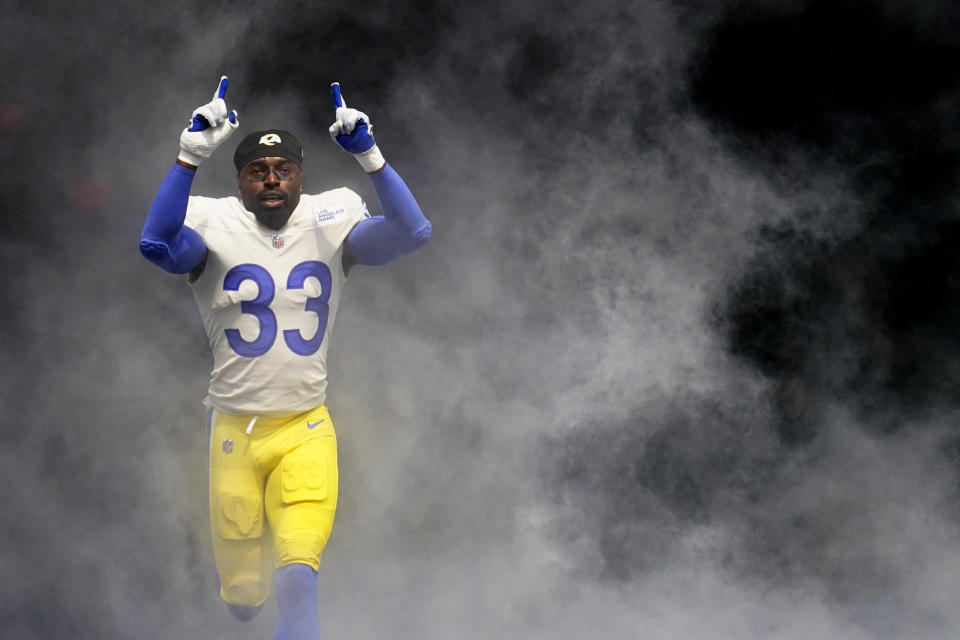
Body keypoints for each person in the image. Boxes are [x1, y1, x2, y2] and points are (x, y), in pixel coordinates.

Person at [139, 76, 431, 639]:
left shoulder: (331, 223)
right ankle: (245, 589)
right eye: (257, 171)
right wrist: (187, 158)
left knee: (298, 582)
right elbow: (157, 244)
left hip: (305, 428)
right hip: (232, 431)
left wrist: (370, 157)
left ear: (301, 178)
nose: (272, 180)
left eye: (284, 170)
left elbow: (412, 232)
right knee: (247, 600)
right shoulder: (214, 228)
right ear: (241, 183)